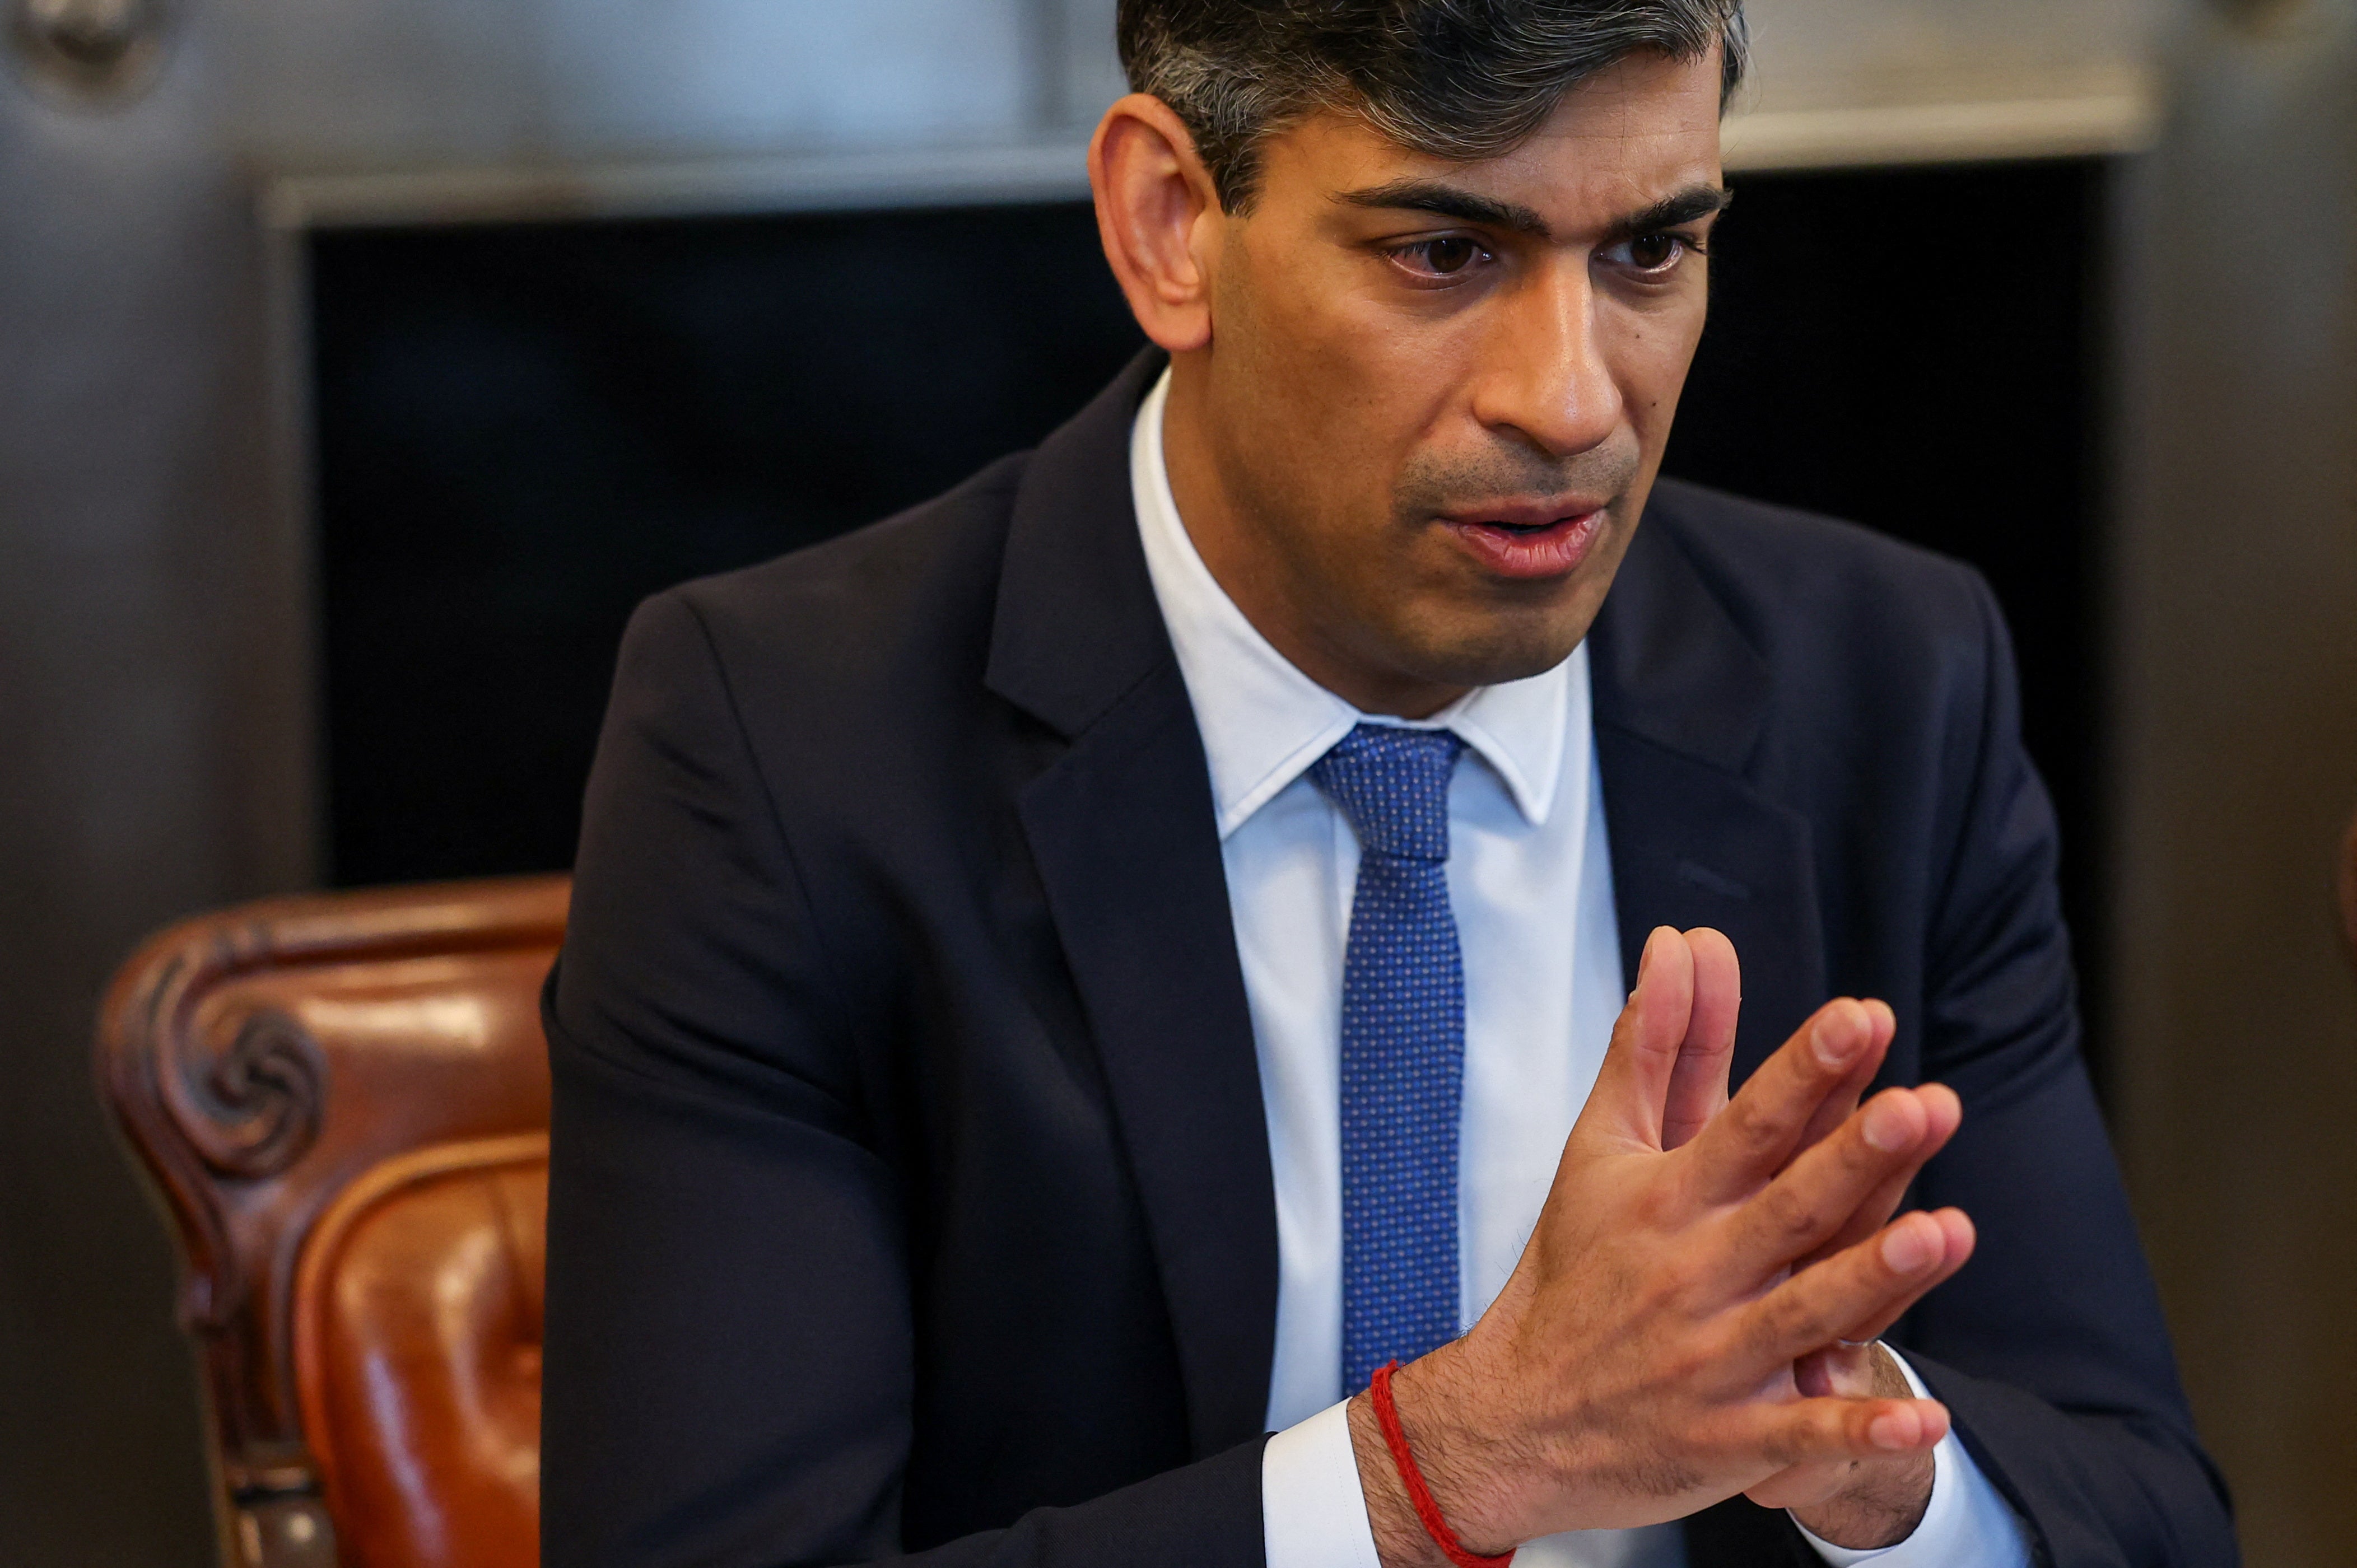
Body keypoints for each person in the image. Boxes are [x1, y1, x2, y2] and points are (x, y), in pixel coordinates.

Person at [539, 2, 2235, 1565]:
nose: (1573, 401)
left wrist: (1891, 1481)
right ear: (1171, 227)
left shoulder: (1890, 682)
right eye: (1442, 252)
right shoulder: (780, 744)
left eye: (1652, 249)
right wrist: (1446, 1467)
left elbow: (2145, 1508)